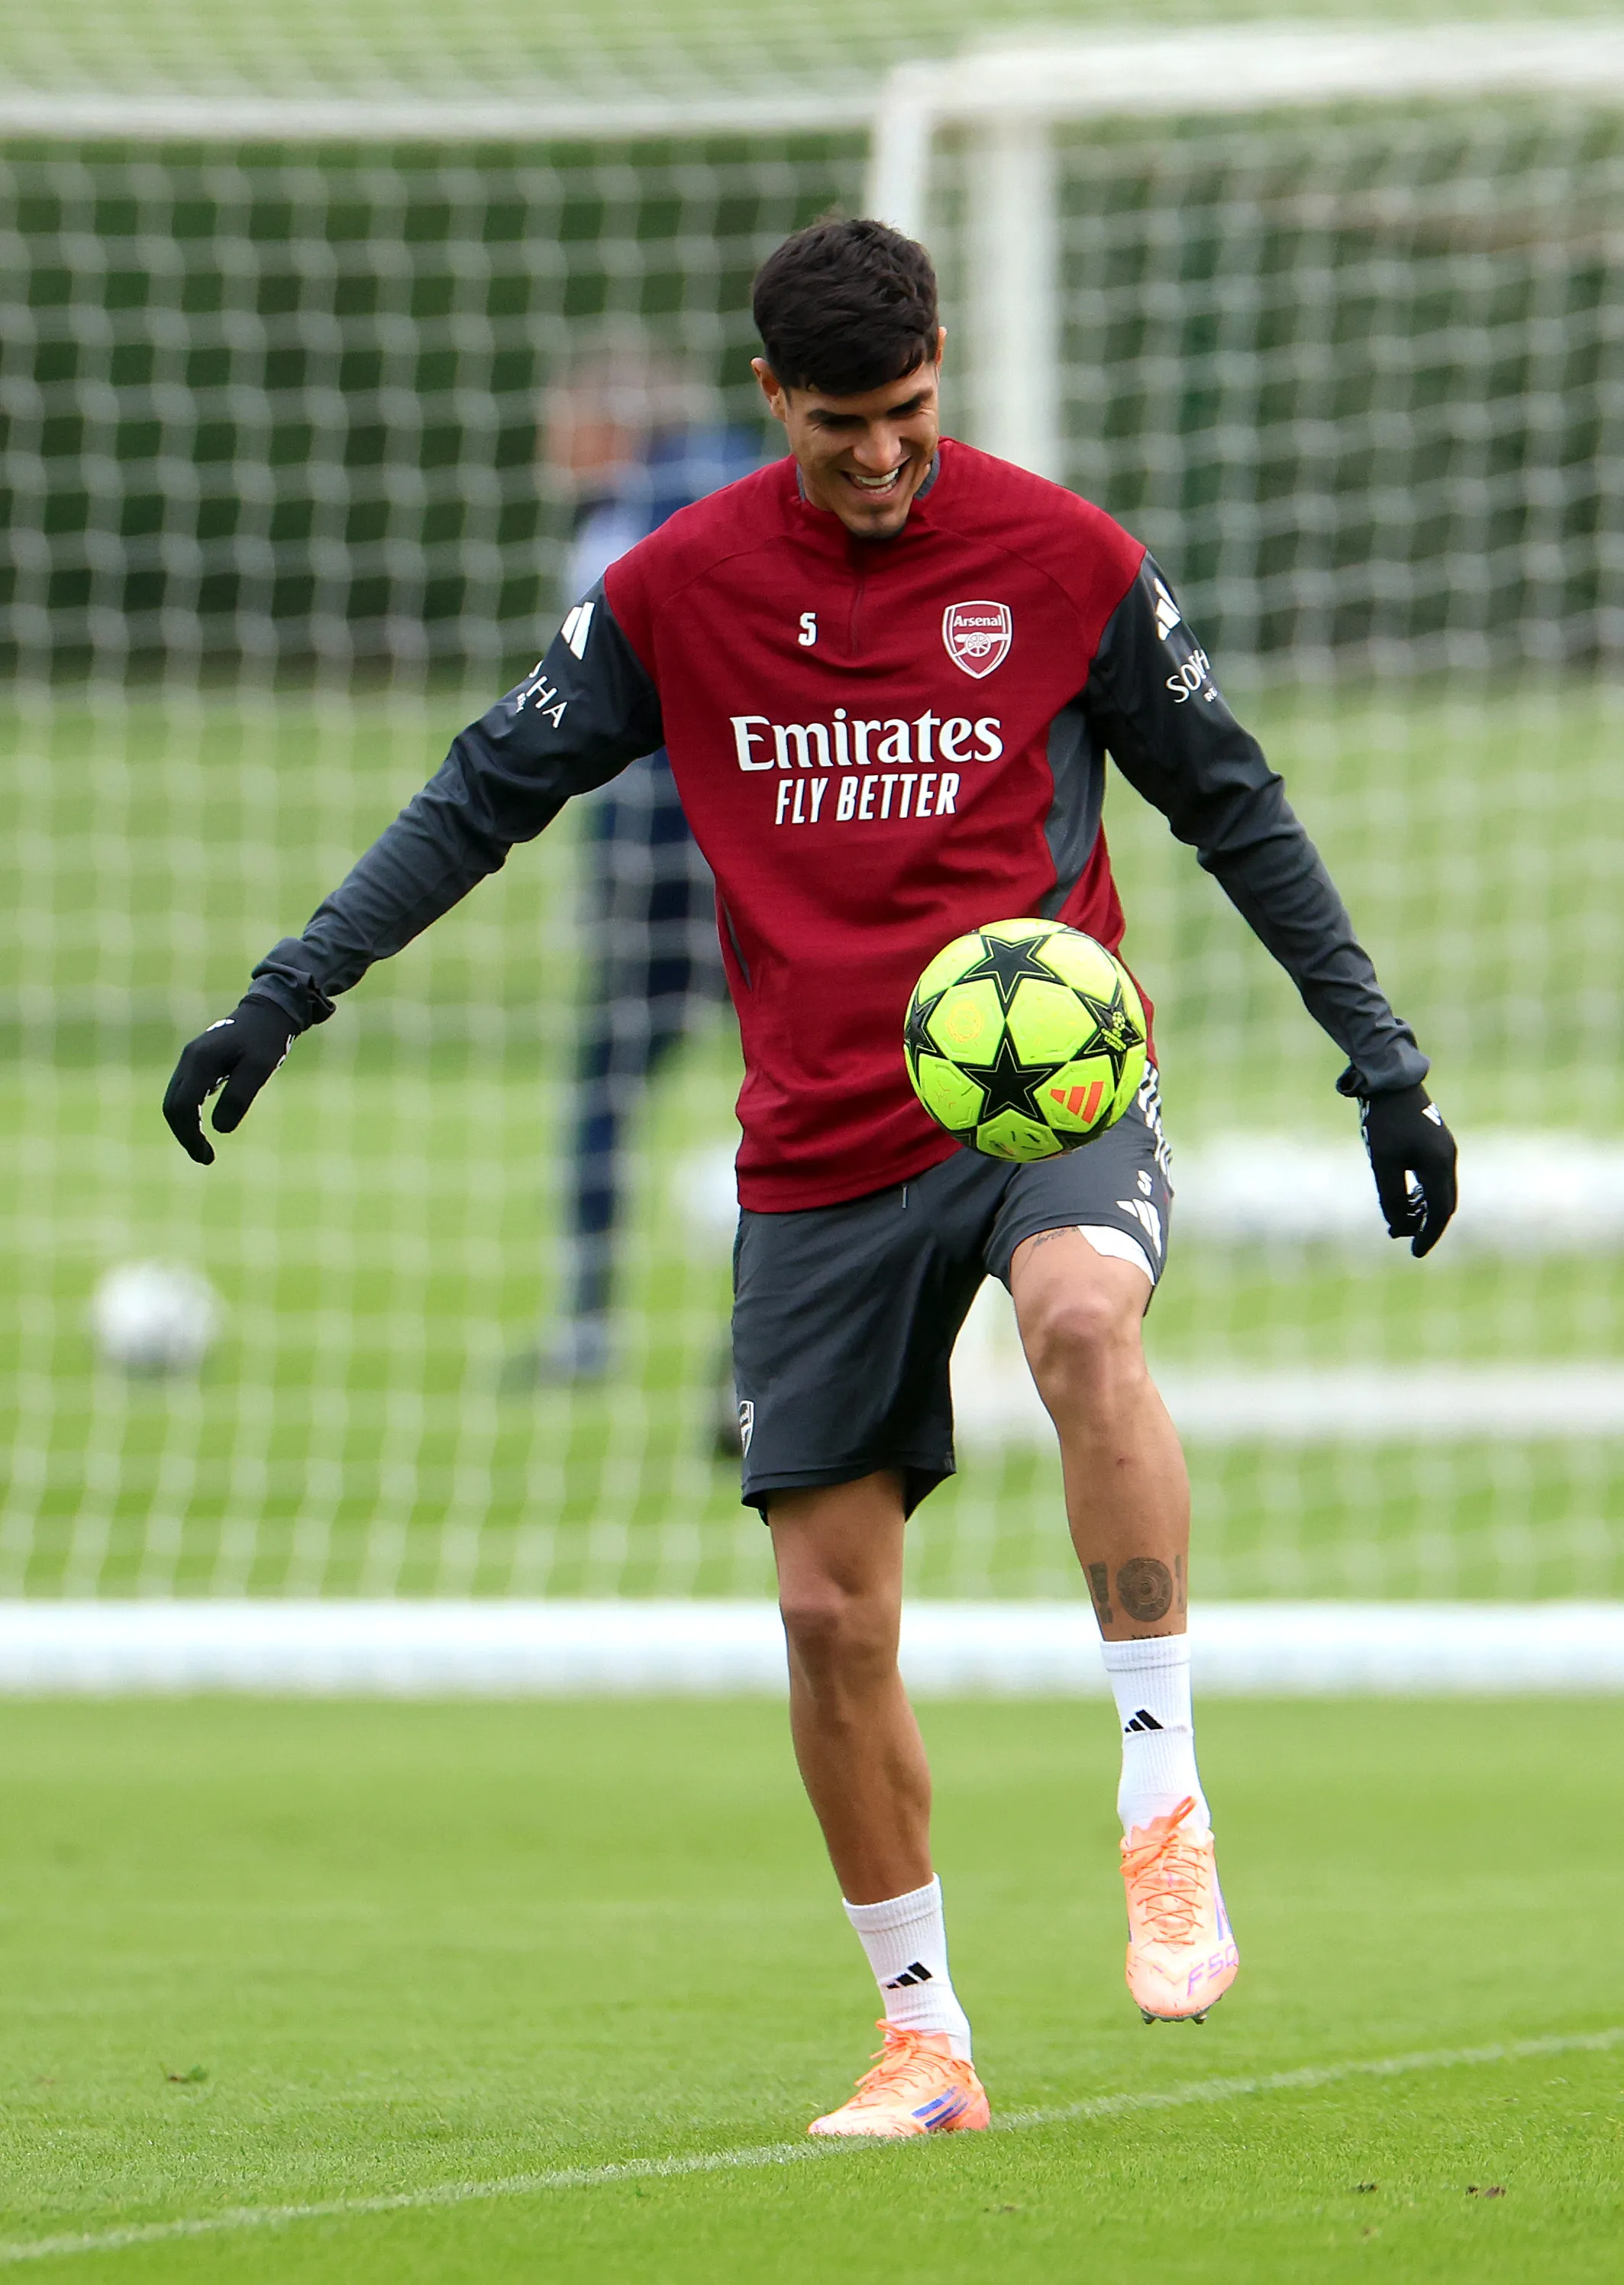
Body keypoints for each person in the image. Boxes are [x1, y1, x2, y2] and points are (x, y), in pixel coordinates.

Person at [163, 218, 1458, 2139]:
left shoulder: (1065, 559)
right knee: (831, 1618)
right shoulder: (675, 586)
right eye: (842, 422)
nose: (879, 455)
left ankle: (1160, 1796)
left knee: (1083, 1319)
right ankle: (923, 2037)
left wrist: (1384, 1063)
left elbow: (1234, 799)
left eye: (910, 413)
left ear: (946, 366)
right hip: (820, 1146)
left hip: (1048, 1095)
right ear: (771, 397)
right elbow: (477, 796)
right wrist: (286, 993)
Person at [512, 343, 755, 1385]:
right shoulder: (713, 482)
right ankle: (764, 1335)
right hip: (726, 850)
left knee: (624, 1085)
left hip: (692, 859)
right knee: (784, 1094)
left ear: (604, 421)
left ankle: (593, 1328)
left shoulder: (657, 512)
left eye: (559, 419)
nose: (548, 446)